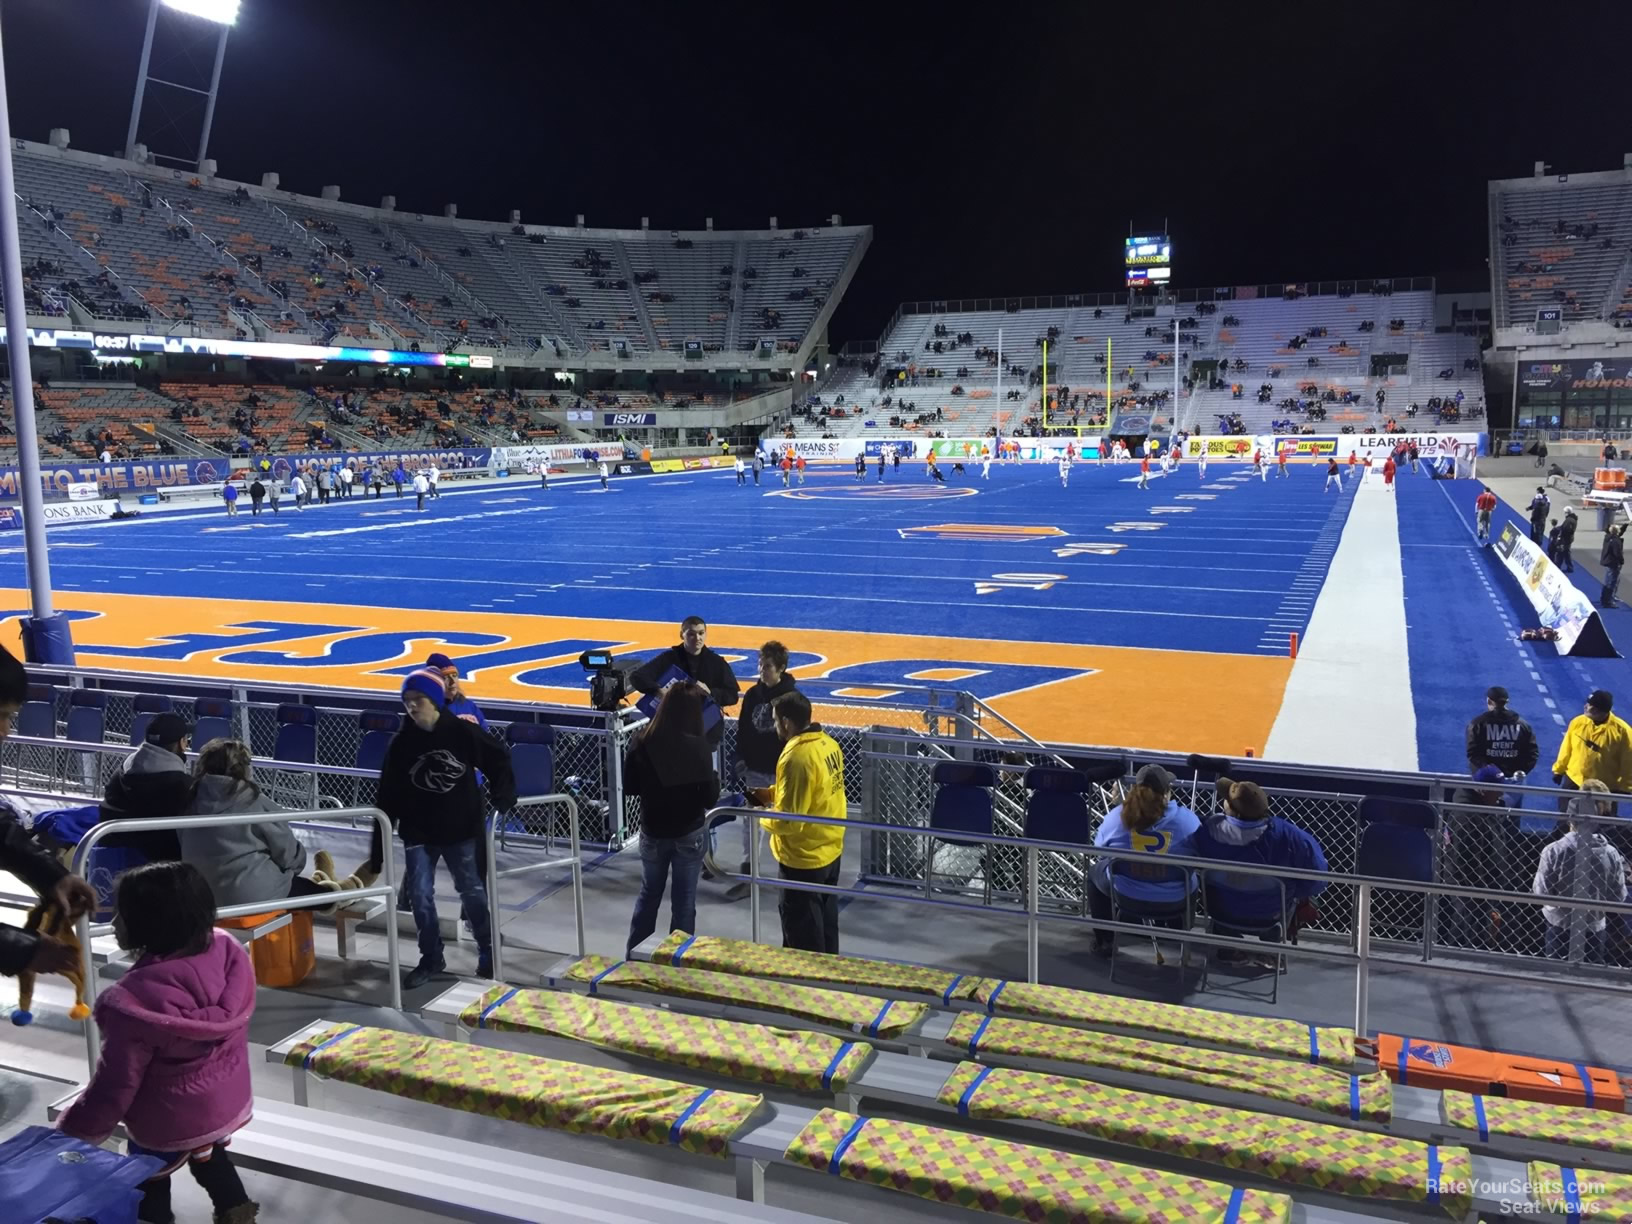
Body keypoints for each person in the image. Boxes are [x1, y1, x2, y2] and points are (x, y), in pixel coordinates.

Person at [56, 862, 259, 1224]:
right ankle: (237, 1210)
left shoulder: (134, 1002)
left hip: (167, 1119)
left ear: (151, 923)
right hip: (221, 1104)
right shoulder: (227, 954)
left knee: (145, 1173)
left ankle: (153, 1219)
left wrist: (75, 1132)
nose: (114, 920)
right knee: (207, 1151)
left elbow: (114, 1084)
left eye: (123, 912)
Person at [358, 669, 517, 987]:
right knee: (419, 895)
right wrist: (377, 853)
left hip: (460, 830)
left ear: (434, 701)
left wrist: (504, 796)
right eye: (407, 701)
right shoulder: (402, 743)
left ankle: (488, 951)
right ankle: (431, 957)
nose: (412, 707)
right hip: (419, 832)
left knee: (472, 893)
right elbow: (386, 795)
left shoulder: (461, 732)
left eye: (418, 700)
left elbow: (498, 757)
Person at [178, 739, 342, 908]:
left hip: (201, 895)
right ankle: (343, 892)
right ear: (244, 768)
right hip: (251, 895)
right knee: (326, 898)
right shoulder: (254, 802)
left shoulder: (189, 802)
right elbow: (289, 856)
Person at [1181, 776, 1327, 963]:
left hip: (1221, 911)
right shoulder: (1289, 836)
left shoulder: (1208, 829)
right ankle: (1271, 949)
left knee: (1216, 888)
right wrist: (1295, 892)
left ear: (1230, 809)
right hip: (1270, 914)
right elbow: (1317, 879)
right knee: (1297, 895)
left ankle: (1228, 947)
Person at [622, 685, 719, 954]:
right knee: (684, 902)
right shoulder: (699, 746)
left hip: (653, 831)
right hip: (688, 833)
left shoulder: (642, 740)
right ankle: (678, 965)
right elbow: (710, 799)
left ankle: (635, 958)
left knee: (648, 895)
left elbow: (630, 787)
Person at [761, 691, 847, 953]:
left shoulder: (797, 758)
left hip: (802, 859)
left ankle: (809, 991)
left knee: (803, 941)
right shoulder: (828, 744)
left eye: (776, 721)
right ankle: (832, 985)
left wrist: (760, 816)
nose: (775, 726)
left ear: (787, 722)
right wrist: (772, 793)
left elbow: (789, 822)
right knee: (827, 930)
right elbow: (813, 791)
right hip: (830, 851)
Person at [1087, 765, 1200, 956]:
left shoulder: (1117, 817)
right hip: (1175, 900)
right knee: (1192, 876)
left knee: (1095, 873)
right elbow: (1199, 854)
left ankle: (1105, 940)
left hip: (1127, 896)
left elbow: (1100, 850)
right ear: (1167, 792)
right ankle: (1178, 930)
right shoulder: (1186, 820)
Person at [728, 642, 798, 901]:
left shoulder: (792, 698)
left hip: (782, 776)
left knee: (785, 823)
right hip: (756, 774)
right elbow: (743, 728)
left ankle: (789, 876)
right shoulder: (753, 695)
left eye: (767, 666)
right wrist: (739, 757)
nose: (762, 670)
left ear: (781, 668)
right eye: (760, 665)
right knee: (751, 821)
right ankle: (749, 874)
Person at [1534, 780, 1627, 962]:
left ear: (1569, 817)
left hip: (1559, 925)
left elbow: (1541, 892)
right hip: (1595, 926)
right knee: (1589, 978)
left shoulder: (1553, 850)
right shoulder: (1611, 853)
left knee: (1555, 976)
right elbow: (1618, 897)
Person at [629, 616, 741, 750]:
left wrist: (711, 692)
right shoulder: (669, 659)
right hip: (672, 734)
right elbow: (637, 677)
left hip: (705, 736)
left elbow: (732, 695)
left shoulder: (716, 663)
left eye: (701, 633)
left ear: (706, 634)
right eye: (691, 634)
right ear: (682, 635)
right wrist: (658, 691)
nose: (697, 638)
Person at [99, 712, 194, 862]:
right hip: (159, 863)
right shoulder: (182, 784)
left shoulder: (123, 771)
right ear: (182, 743)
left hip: (113, 848)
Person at [1553, 690, 1632, 803]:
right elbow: (1567, 748)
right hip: (1575, 780)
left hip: (1603, 787)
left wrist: (1625, 787)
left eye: (1590, 705)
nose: (1586, 706)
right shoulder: (1577, 722)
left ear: (1601, 710)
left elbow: (1628, 762)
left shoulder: (1623, 732)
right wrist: (1559, 770)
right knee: (1565, 817)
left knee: (1602, 820)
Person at [1466, 685, 1540, 781]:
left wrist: (1489, 771)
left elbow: (1473, 754)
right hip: (1512, 778)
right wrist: (1519, 772)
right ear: (1507, 701)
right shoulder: (1523, 725)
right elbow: (1532, 754)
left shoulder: (1477, 724)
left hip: (1486, 779)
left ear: (1488, 701)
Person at [1603, 524, 1625, 608]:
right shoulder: (1616, 541)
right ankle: (1609, 600)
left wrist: (1625, 525)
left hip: (1608, 562)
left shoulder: (1608, 537)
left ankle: (1605, 598)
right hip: (1613, 563)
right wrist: (1621, 561)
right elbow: (1617, 553)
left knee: (1608, 581)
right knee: (1612, 582)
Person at [1557, 508, 1578, 573]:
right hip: (1568, 539)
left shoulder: (1569, 520)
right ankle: (1569, 567)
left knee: (1562, 553)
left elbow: (1566, 530)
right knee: (1566, 553)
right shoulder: (1572, 519)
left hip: (1566, 540)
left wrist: (1560, 537)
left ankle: (1559, 566)